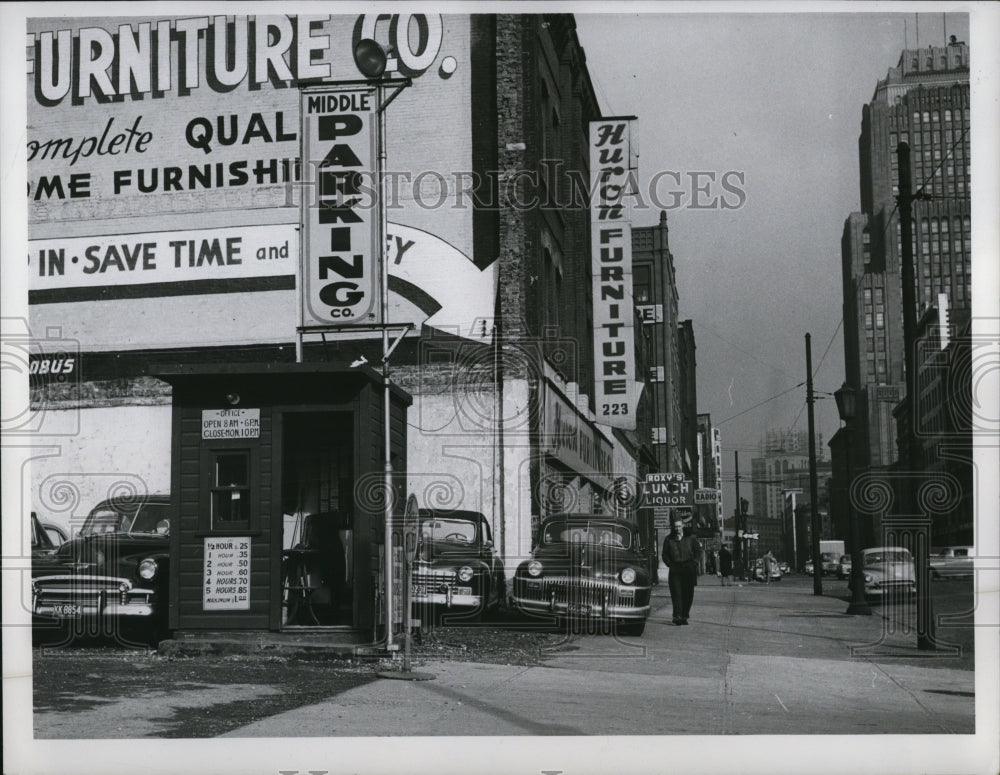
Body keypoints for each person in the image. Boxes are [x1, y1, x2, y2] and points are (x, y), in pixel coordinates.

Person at [662, 517, 703, 625]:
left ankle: (684, 615)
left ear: (683, 526)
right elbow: (664, 554)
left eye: (679, 526)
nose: (677, 529)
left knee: (688, 594)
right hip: (675, 569)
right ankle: (677, 616)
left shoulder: (691, 538)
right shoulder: (668, 539)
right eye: (675, 527)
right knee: (676, 593)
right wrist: (669, 563)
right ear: (673, 527)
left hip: (688, 568)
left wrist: (694, 562)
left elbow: (698, 551)